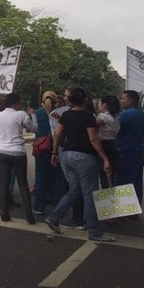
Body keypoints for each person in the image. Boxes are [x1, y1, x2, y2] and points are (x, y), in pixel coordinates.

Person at [45, 87, 115, 242]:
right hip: (84, 157)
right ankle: (95, 232)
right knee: (89, 194)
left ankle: (54, 217)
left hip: (67, 156)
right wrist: (105, 158)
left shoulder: (66, 115)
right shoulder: (88, 116)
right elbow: (93, 139)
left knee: (74, 190)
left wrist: (55, 153)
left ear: (70, 100)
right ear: (84, 100)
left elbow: (58, 134)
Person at [0, 92, 35, 224]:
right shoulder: (21, 114)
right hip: (18, 153)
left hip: (2, 151)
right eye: (20, 102)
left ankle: (4, 213)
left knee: (4, 182)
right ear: (15, 103)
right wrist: (32, 116)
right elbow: (33, 128)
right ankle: (29, 216)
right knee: (22, 184)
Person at [32, 91, 66, 215]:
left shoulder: (37, 113)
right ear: (55, 100)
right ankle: (59, 206)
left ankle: (38, 207)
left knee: (41, 177)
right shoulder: (61, 112)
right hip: (57, 147)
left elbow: (34, 129)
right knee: (58, 178)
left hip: (41, 148)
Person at [115, 90, 144, 205]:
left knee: (123, 182)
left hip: (125, 151)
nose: (121, 101)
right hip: (139, 151)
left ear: (131, 100)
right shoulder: (141, 113)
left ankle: (124, 211)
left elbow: (114, 129)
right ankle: (134, 210)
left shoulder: (125, 114)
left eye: (123, 99)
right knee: (136, 182)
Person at [96, 95, 120, 189]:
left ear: (104, 105)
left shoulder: (103, 116)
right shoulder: (115, 118)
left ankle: (107, 200)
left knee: (104, 175)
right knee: (112, 174)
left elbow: (92, 126)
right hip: (113, 145)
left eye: (99, 103)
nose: (98, 105)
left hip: (103, 146)